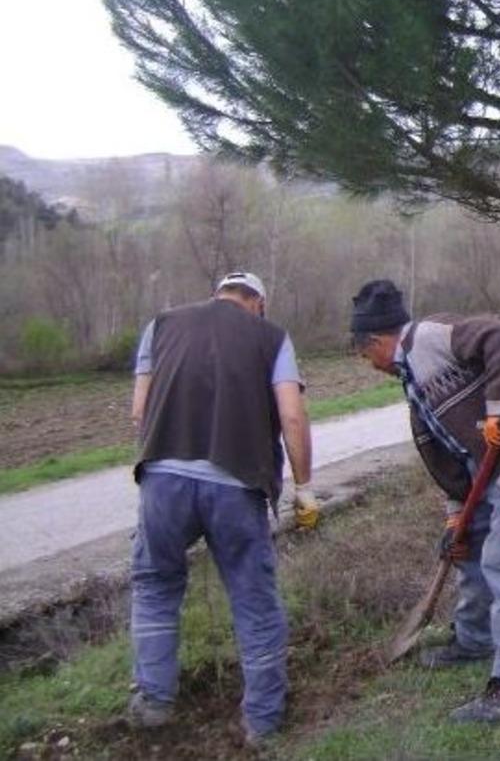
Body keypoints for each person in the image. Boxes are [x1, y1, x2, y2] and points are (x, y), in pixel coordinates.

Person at [349, 280, 500, 724]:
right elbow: (448, 454)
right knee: (470, 548)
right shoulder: (412, 382)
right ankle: (475, 639)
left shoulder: (429, 337)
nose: (369, 366)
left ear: (377, 340)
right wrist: (455, 517)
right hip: (485, 468)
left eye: (366, 356)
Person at [127, 271, 317, 745]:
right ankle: (263, 720)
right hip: (237, 482)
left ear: (220, 295)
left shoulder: (162, 324)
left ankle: (154, 701)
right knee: (253, 599)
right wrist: (304, 487)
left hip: (162, 479)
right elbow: (291, 414)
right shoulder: (271, 336)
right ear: (258, 302)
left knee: (155, 586)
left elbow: (138, 410)